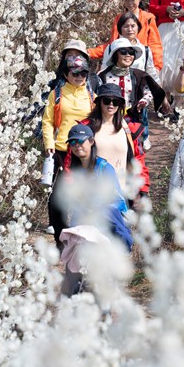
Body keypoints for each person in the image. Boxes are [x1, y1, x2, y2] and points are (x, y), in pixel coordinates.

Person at [52, 124, 133, 295]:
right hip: (80, 226)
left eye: (81, 141)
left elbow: (119, 202)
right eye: (72, 142)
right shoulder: (74, 171)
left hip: (103, 225)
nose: (77, 145)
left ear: (91, 141)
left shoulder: (104, 168)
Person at [42, 49, 96, 232]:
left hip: (84, 149)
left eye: (83, 73)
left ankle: (81, 221)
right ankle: (55, 223)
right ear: (66, 74)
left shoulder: (91, 95)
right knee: (59, 188)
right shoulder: (56, 94)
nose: (80, 77)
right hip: (61, 147)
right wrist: (49, 144)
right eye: (75, 73)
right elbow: (48, 121)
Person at [80, 83, 151, 200]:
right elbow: (74, 160)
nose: (111, 105)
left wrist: (143, 188)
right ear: (99, 102)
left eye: (116, 102)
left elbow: (138, 158)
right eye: (107, 100)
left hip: (123, 193)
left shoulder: (128, 129)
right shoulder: (86, 128)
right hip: (94, 194)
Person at [99, 38, 168, 148]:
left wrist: (144, 101)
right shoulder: (103, 76)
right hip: (107, 120)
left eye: (131, 52)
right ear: (115, 55)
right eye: (123, 52)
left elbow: (148, 91)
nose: (128, 55)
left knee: (133, 151)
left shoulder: (138, 75)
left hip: (131, 119)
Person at [87, 0, 163, 71]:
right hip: (121, 62)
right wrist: (90, 52)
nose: (129, 2)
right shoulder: (119, 18)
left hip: (140, 63)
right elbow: (113, 44)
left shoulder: (148, 18)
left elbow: (155, 44)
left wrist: (157, 66)